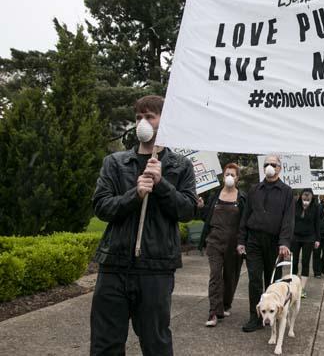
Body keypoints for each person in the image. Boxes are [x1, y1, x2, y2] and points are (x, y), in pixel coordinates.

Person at [90, 95, 197, 355]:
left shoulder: (180, 166)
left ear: (164, 121)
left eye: (150, 117)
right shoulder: (115, 163)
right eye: (138, 117)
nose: (143, 123)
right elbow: (102, 207)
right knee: (105, 342)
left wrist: (161, 185)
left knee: (156, 342)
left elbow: (187, 210)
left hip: (156, 268)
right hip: (114, 265)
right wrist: (134, 195)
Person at [237, 155, 294, 332]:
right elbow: (245, 215)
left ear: (279, 168)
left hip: (275, 242)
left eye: (273, 164)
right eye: (267, 164)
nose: (270, 167)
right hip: (254, 240)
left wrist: (284, 242)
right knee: (254, 279)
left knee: (274, 282)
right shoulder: (254, 189)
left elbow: (288, 219)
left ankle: (274, 316)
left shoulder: (287, 191)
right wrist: (241, 239)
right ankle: (255, 317)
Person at [197, 163, 246, 327]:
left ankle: (225, 305)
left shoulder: (242, 198)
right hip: (214, 242)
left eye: (232, 174)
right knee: (215, 276)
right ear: (223, 176)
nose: (229, 177)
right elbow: (206, 217)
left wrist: (242, 242)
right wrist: (201, 207)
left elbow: (244, 223)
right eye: (227, 174)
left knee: (230, 277)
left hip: (234, 244)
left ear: (237, 178)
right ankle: (213, 313)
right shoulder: (214, 196)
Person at [290, 188, 320, 297]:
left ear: (312, 198)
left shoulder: (316, 207)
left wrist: (317, 239)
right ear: (301, 196)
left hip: (309, 238)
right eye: (304, 197)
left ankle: (302, 288)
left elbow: (317, 224)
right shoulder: (295, 205)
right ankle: (293, 285)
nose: (306, 199)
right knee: (294, 261)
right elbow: (290, 221)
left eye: (308, 197)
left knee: (305, 262)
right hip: (295, 237)